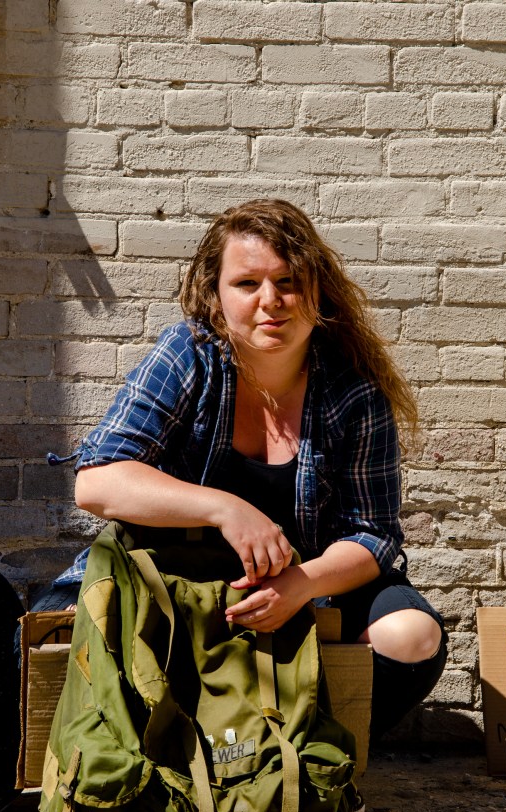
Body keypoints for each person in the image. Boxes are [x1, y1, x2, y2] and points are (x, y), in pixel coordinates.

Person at [42, 199, 447, 741]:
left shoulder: (353, 394)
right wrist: (226, 509)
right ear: (215, 295)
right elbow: (97, 480)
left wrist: (299, 585)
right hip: (175, 580)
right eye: (247, 283)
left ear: (318, 291)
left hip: (311, 586)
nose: (270, 301)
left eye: (288, 282)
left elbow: (373, 534)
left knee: (412, 635)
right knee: (45, 641)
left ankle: (307, 754)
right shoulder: (190, 356)